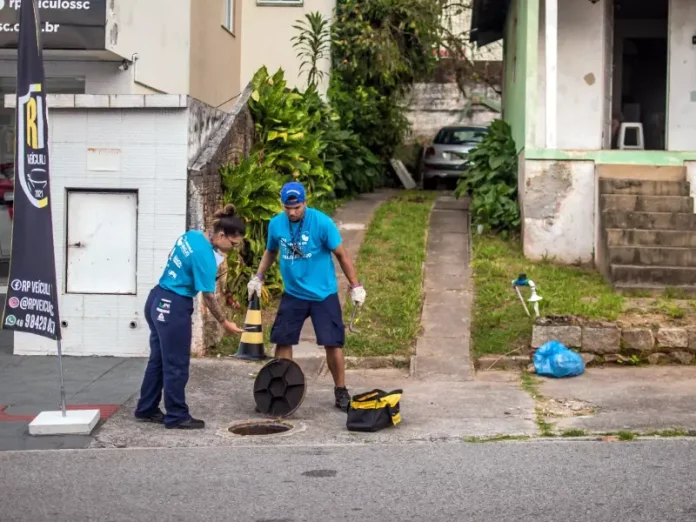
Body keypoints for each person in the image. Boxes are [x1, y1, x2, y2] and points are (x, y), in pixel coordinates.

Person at [248, 181, 366, 412]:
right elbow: (271, 251)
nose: (292, 212)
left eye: (297, 207)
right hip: (293, 294)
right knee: (283, 339)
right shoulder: (276, 224)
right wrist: (259, 276)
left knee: (332, 342)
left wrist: (355, 286)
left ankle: (340, 390)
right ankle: (283, 389)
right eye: (287, 208)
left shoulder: (322, 222)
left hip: (323, 294)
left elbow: (341, 254)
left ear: (305, 202)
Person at [134, 204, 246, 429]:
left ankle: (146, 408)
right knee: (176, 364)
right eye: (232, 244)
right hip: (174, 306)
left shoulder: (192, 235)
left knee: (158, 360)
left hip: (156, 299)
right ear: (221, 235)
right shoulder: (205, 257)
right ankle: (176, 415)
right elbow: (208, 297)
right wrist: (225, 322)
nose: (232, 249)